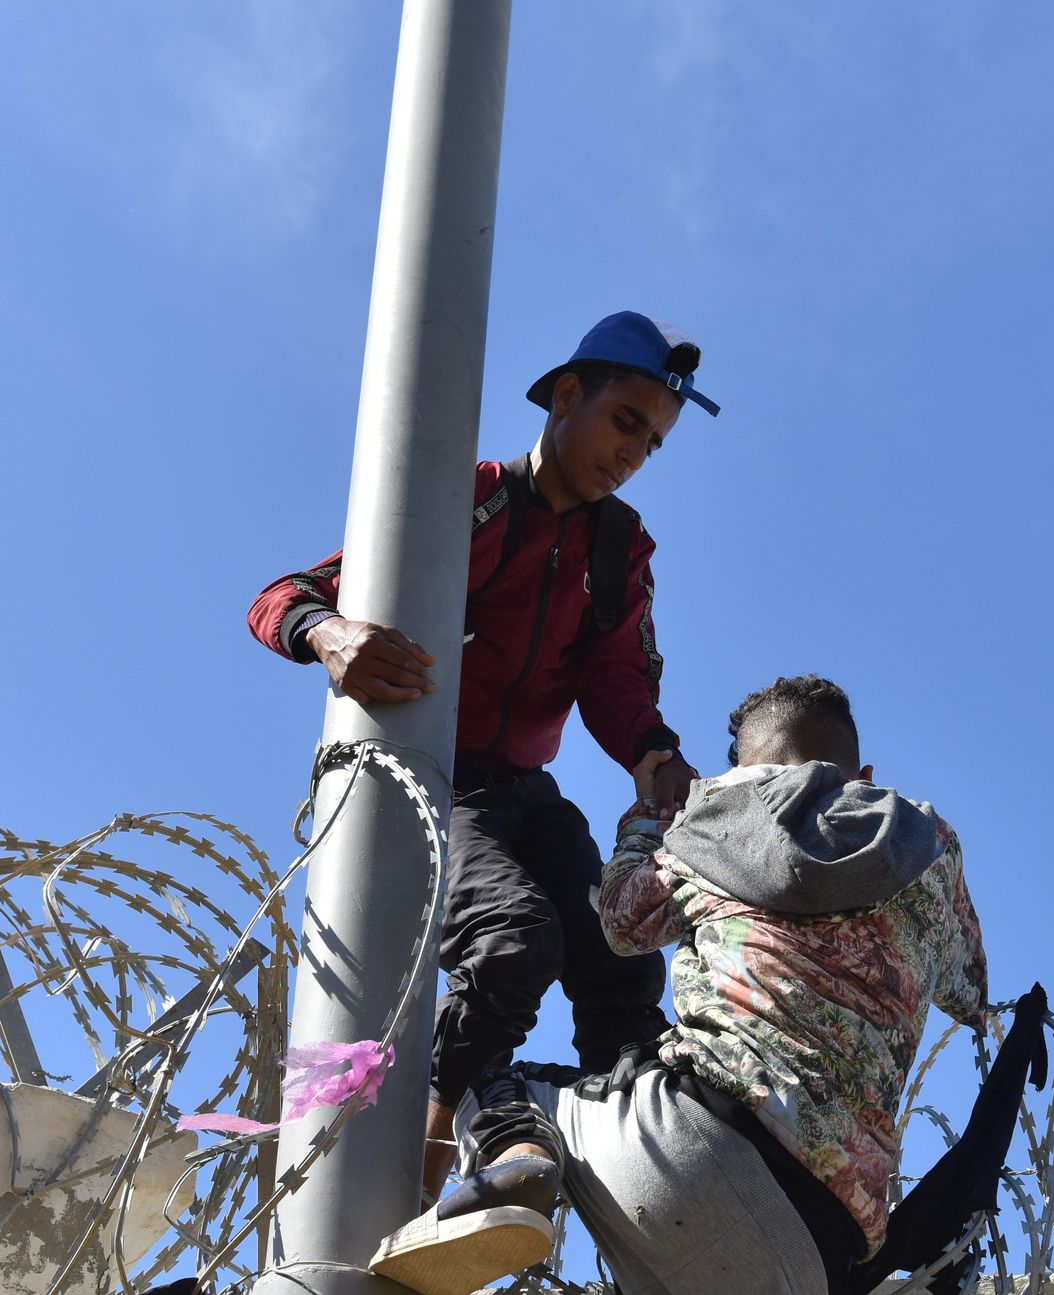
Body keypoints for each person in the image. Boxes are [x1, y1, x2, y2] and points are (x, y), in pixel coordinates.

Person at [372, 675, 1007, 1295]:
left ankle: (523, 1157)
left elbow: (621, 923)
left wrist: (648, 819)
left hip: (678, 1143)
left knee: (501, 1074)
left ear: (745, 766)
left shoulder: (711, 817)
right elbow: (972, 987)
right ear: (861, 767)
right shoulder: (928, 841)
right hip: (805, 1268)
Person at [246, 312, 718, 1170]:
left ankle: (635, 1145)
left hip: (526, 791)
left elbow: (614, 674)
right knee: (514, 937)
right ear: (566, 396)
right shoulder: (470, 498)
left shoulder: (619, 548)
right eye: (625, 422)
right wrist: (325, 633)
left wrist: (652, 750)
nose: (634, 454)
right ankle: (436, 1137)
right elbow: (286, 593)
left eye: (652, 442)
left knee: (620, 947)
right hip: (436, 780)